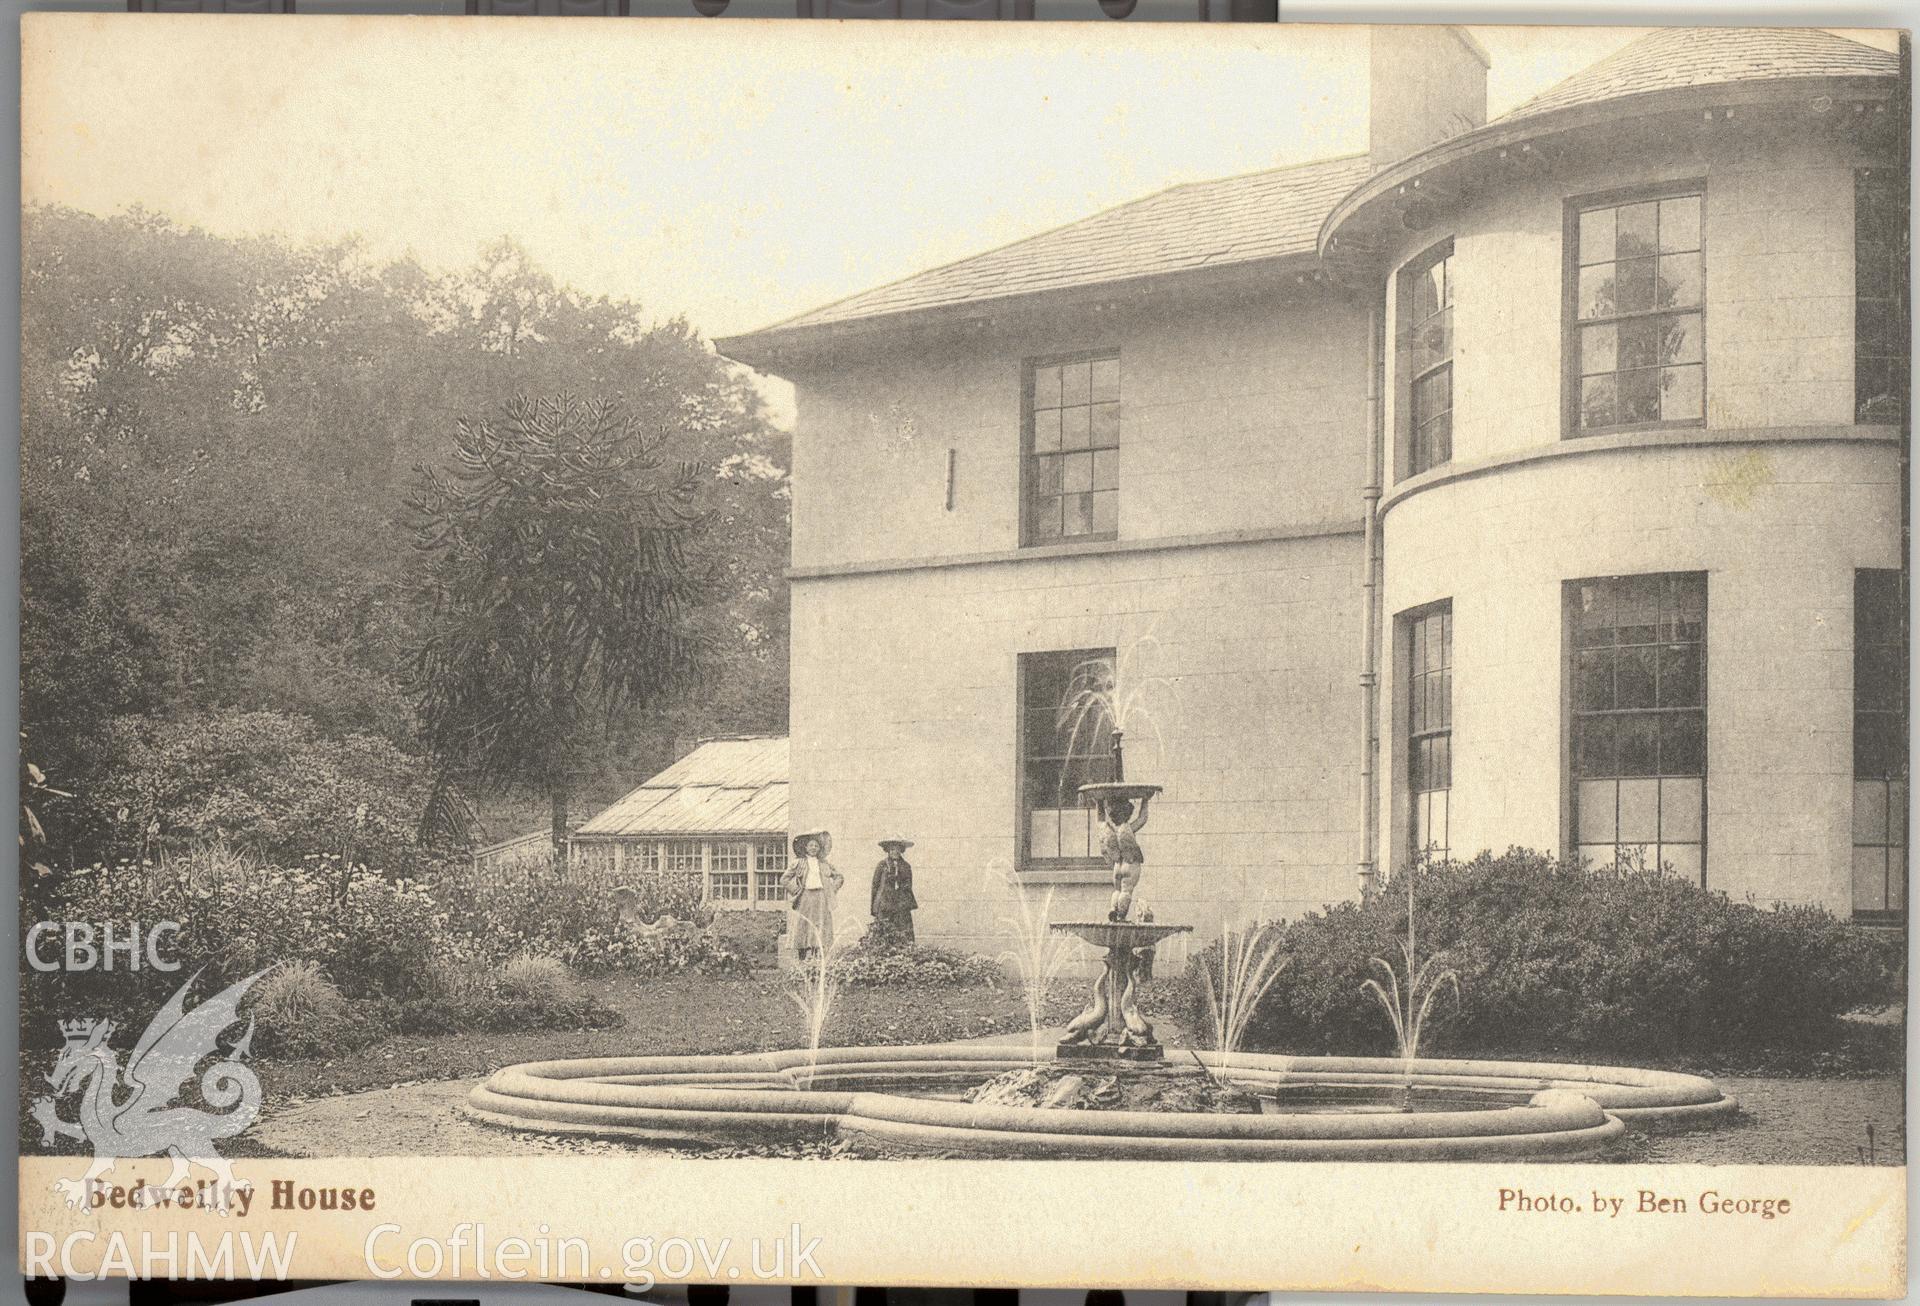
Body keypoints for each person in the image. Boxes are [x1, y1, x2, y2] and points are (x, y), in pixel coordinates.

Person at [782, 831, 842, 961]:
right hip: (805, 898)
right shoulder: (798, 863)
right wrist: (796, 890)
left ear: (819, 848)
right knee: (803, 926)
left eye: (816, 846)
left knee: (819, 928)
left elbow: (839, 877)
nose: (813, 848)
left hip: (821, 898)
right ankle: (802, 959)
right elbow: (784, 879)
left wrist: (831, 889)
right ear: (806, 847)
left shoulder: (825, 864)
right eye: (811, 845)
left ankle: (816, 961)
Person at [1098, 794, 1151, 921]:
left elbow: (1099, 819)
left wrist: (1099, 803)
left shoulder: (1109, 830)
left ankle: (1113, 909)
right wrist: (1145, 799)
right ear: (1127, 813)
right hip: (1129, 863)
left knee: (1117, 890)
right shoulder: (1129, 829)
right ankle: (1121, 916)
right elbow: (1143, 818)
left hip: (1117, 864)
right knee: (1126, 890)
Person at [867, 839, 918, 949]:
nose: (895, 852)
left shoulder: (906, 866)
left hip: (901, 904)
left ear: (901, 850)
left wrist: (900, 882)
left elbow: (909, 884)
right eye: (892, 849)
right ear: (888, 851)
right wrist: (874, 908)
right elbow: (875, 886)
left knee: (903, 930)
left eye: (897, 849)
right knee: (883, 932)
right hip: (885, 904)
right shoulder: (882, 865)